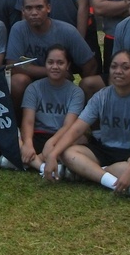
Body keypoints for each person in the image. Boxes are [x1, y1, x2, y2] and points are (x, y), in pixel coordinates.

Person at [41, 49, 130, 198]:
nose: (118, 71)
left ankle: (87, 172)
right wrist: (53, 154)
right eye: (114, 67)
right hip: (104, 149)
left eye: (125, 67)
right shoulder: (101, 96)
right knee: (68, 153)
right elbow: (77, 128)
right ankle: (108, 179)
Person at [6, 0, 97, 105]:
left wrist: (79, 89)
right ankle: (19, 120)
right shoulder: (18, 29)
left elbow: (90, 64)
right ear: (23, 11)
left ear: (48, 8)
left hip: (60, 83)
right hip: (32, 83)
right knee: (17, 81)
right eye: (29, 8)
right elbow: (13, 65)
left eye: (39, 7)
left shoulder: (67, 31)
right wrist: (51, 71)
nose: (34, 13)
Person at [19, 45, 86, 174]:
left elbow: (69, 125)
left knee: (81, 140)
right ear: (45, 64)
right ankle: (43, 166)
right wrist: (27, 144)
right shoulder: (34, 88)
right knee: (15, 138)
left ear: (68, 65)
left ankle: (29, 162)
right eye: (50, 62)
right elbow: (28, 122)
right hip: (37, 135)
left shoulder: (76, 92)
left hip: (61, 136)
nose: (55, 67)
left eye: (60, 63)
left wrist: (51, 142)